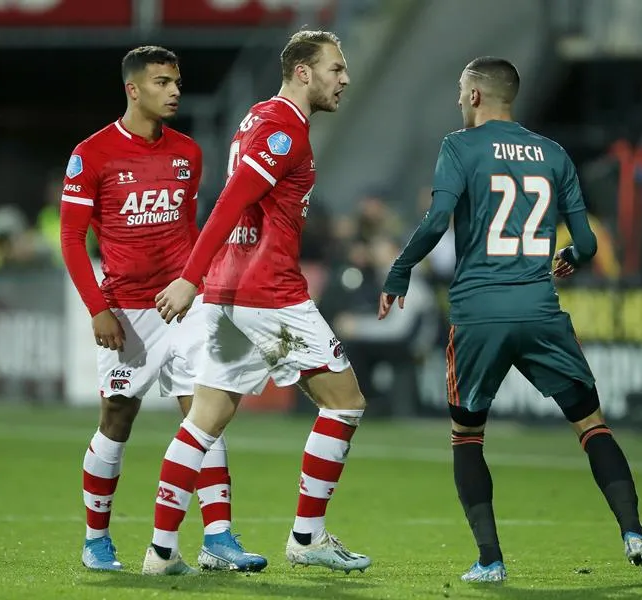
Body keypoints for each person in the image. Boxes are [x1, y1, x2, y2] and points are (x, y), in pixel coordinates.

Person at [378, 57, 642, 585]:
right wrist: (570, 258)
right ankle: (633, 532)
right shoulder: (554, 154)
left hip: (479, 312)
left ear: (473, 96)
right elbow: (585, 243)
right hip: (540, 308)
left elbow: (437, 220)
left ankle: (490, 560)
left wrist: (400, 270)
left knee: (467, 435)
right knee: (591, 424)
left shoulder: (459, 147)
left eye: (459, 90)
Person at [152, 30, 371, 575]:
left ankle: (160, 553)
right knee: (344, 402)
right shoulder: (282, 129)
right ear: (303, 71)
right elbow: (229, 203)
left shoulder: (259, 116)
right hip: (269, 294)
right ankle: (307, 537)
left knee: (203, 423)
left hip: (230, 293)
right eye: (335, 68)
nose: (344, 79)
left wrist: (203, 281)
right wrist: (187, 277)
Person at [60, 46, 265, 575]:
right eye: (161, 82)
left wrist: (198, 284)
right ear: (133, 89)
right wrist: (98, 309)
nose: (174, 90)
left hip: (185, 304)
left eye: (176, 81)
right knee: (117, 417)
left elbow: (188, 231)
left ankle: (218, 535)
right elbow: (70, 239)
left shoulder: (188, 153)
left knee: (205, 411)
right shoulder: (93, 154)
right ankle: (96, 538)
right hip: (128, 311)